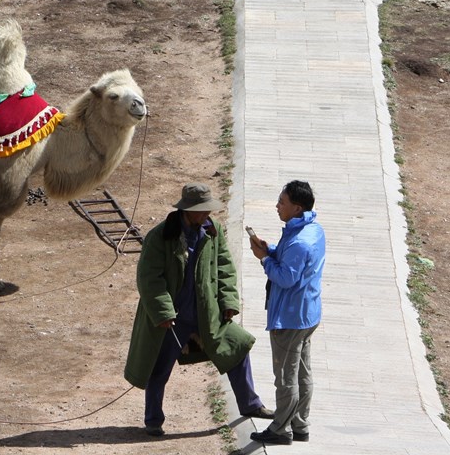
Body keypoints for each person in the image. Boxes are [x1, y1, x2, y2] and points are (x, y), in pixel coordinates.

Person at [125, 182, 273, 437]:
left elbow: (225, 266)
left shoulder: (213, 230)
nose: (207, 215)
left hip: (208, 313)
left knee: (237, 349)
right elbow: (150, 279)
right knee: (158, 367)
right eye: (202, 210)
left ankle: (250, 405)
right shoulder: (160, 236)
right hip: (174, 319)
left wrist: (228, 302)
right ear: (188, 210)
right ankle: (153, 420)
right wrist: (163, 313)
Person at [249, 179, 326, 446]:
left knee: (285, 376)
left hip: (289, 318)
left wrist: (264, 259)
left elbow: (286, 277)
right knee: (303, 371)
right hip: (308, 314)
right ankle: (300, 424)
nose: (277, 206)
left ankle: (281, 429)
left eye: (282, 202)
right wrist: (270, 250)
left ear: (296, 208)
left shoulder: (299, 242)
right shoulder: (313, 230)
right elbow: (291, 261)